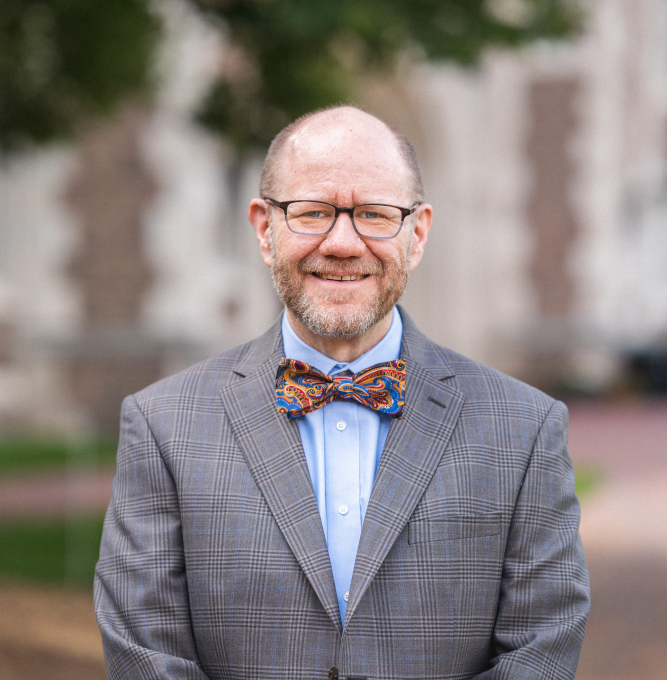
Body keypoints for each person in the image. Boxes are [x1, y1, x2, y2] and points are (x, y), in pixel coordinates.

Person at [94, 106, 590, 680]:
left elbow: (540, 651)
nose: (343, 243)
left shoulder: (525, 429)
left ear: (418, 233)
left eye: (376, 215)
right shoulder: (162, 426)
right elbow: (146, 656)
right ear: (264, 228)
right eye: (312, 212)